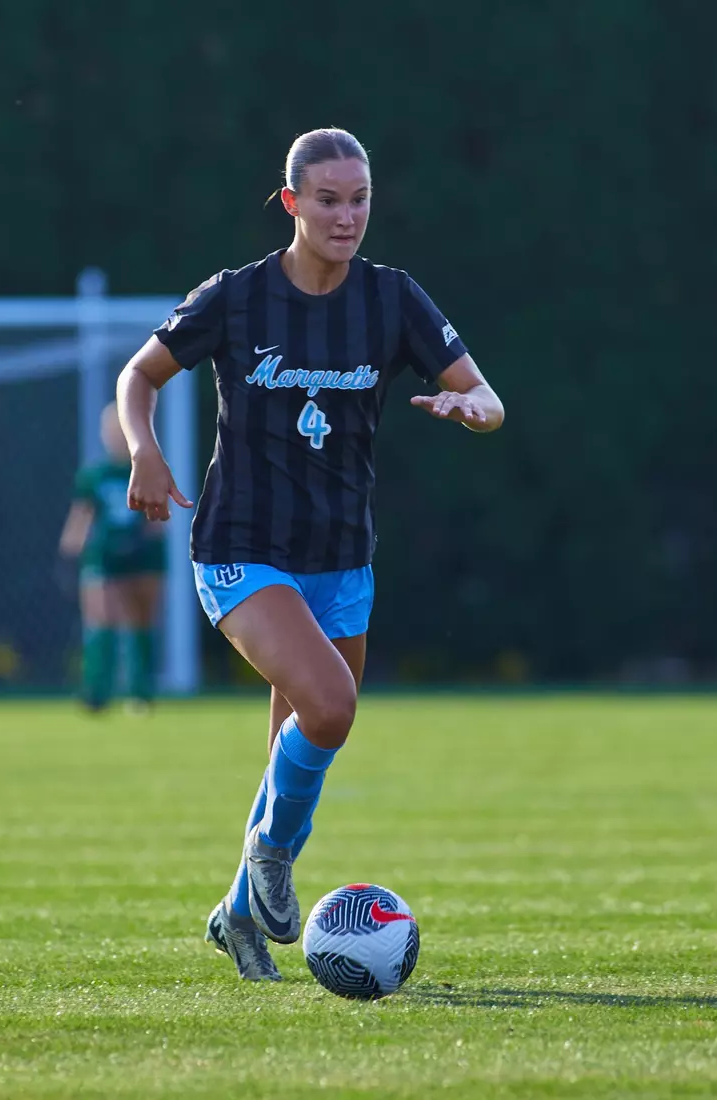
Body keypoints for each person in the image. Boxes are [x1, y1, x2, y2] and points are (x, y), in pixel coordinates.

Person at [116, 127, 504, 981]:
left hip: (340, 557)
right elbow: (138, 375)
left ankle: (237, 915)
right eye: (327, 199)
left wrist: (471, 409)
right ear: (291, 203)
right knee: (328, 707)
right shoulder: (237, 297)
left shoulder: (391, 298)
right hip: (241, 550)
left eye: (359, 198)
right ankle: (274, 862)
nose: (347, 215)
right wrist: (144, 451)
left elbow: (485, 395)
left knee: (301, 741)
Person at [59, 402, 165, 712]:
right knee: (101, 618)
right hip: (104, 555)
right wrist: (69, 553)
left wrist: (144, 542)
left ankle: (140, 692)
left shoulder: (147, 469)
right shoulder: (96, 475)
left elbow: (158, 519)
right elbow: (81, 517)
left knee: (140, 622)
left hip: (141, 556)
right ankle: (97, 692)